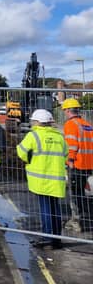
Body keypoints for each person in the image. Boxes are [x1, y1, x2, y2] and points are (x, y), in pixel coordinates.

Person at [17, 109, 68, 250]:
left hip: (41, 180)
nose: (32, 123)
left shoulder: (33, 136)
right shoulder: (59, 137)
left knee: (45, 209)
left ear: (38, 122)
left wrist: (30, 159)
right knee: (55, 209)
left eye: (33, 121)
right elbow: (65, 155)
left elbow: (20, 152)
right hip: (56, 180)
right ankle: (56, 239)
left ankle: (47, 239)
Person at [61, 98, 93, 231]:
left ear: (68, 110)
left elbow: (72, 145)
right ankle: (80, 217)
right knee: (81, 192)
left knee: (74, 193)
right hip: (89, 163)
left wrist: (70, 161)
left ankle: (75, 220)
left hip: (77, 164)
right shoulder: (87, 124)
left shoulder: (70, 124)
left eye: (64, 111)